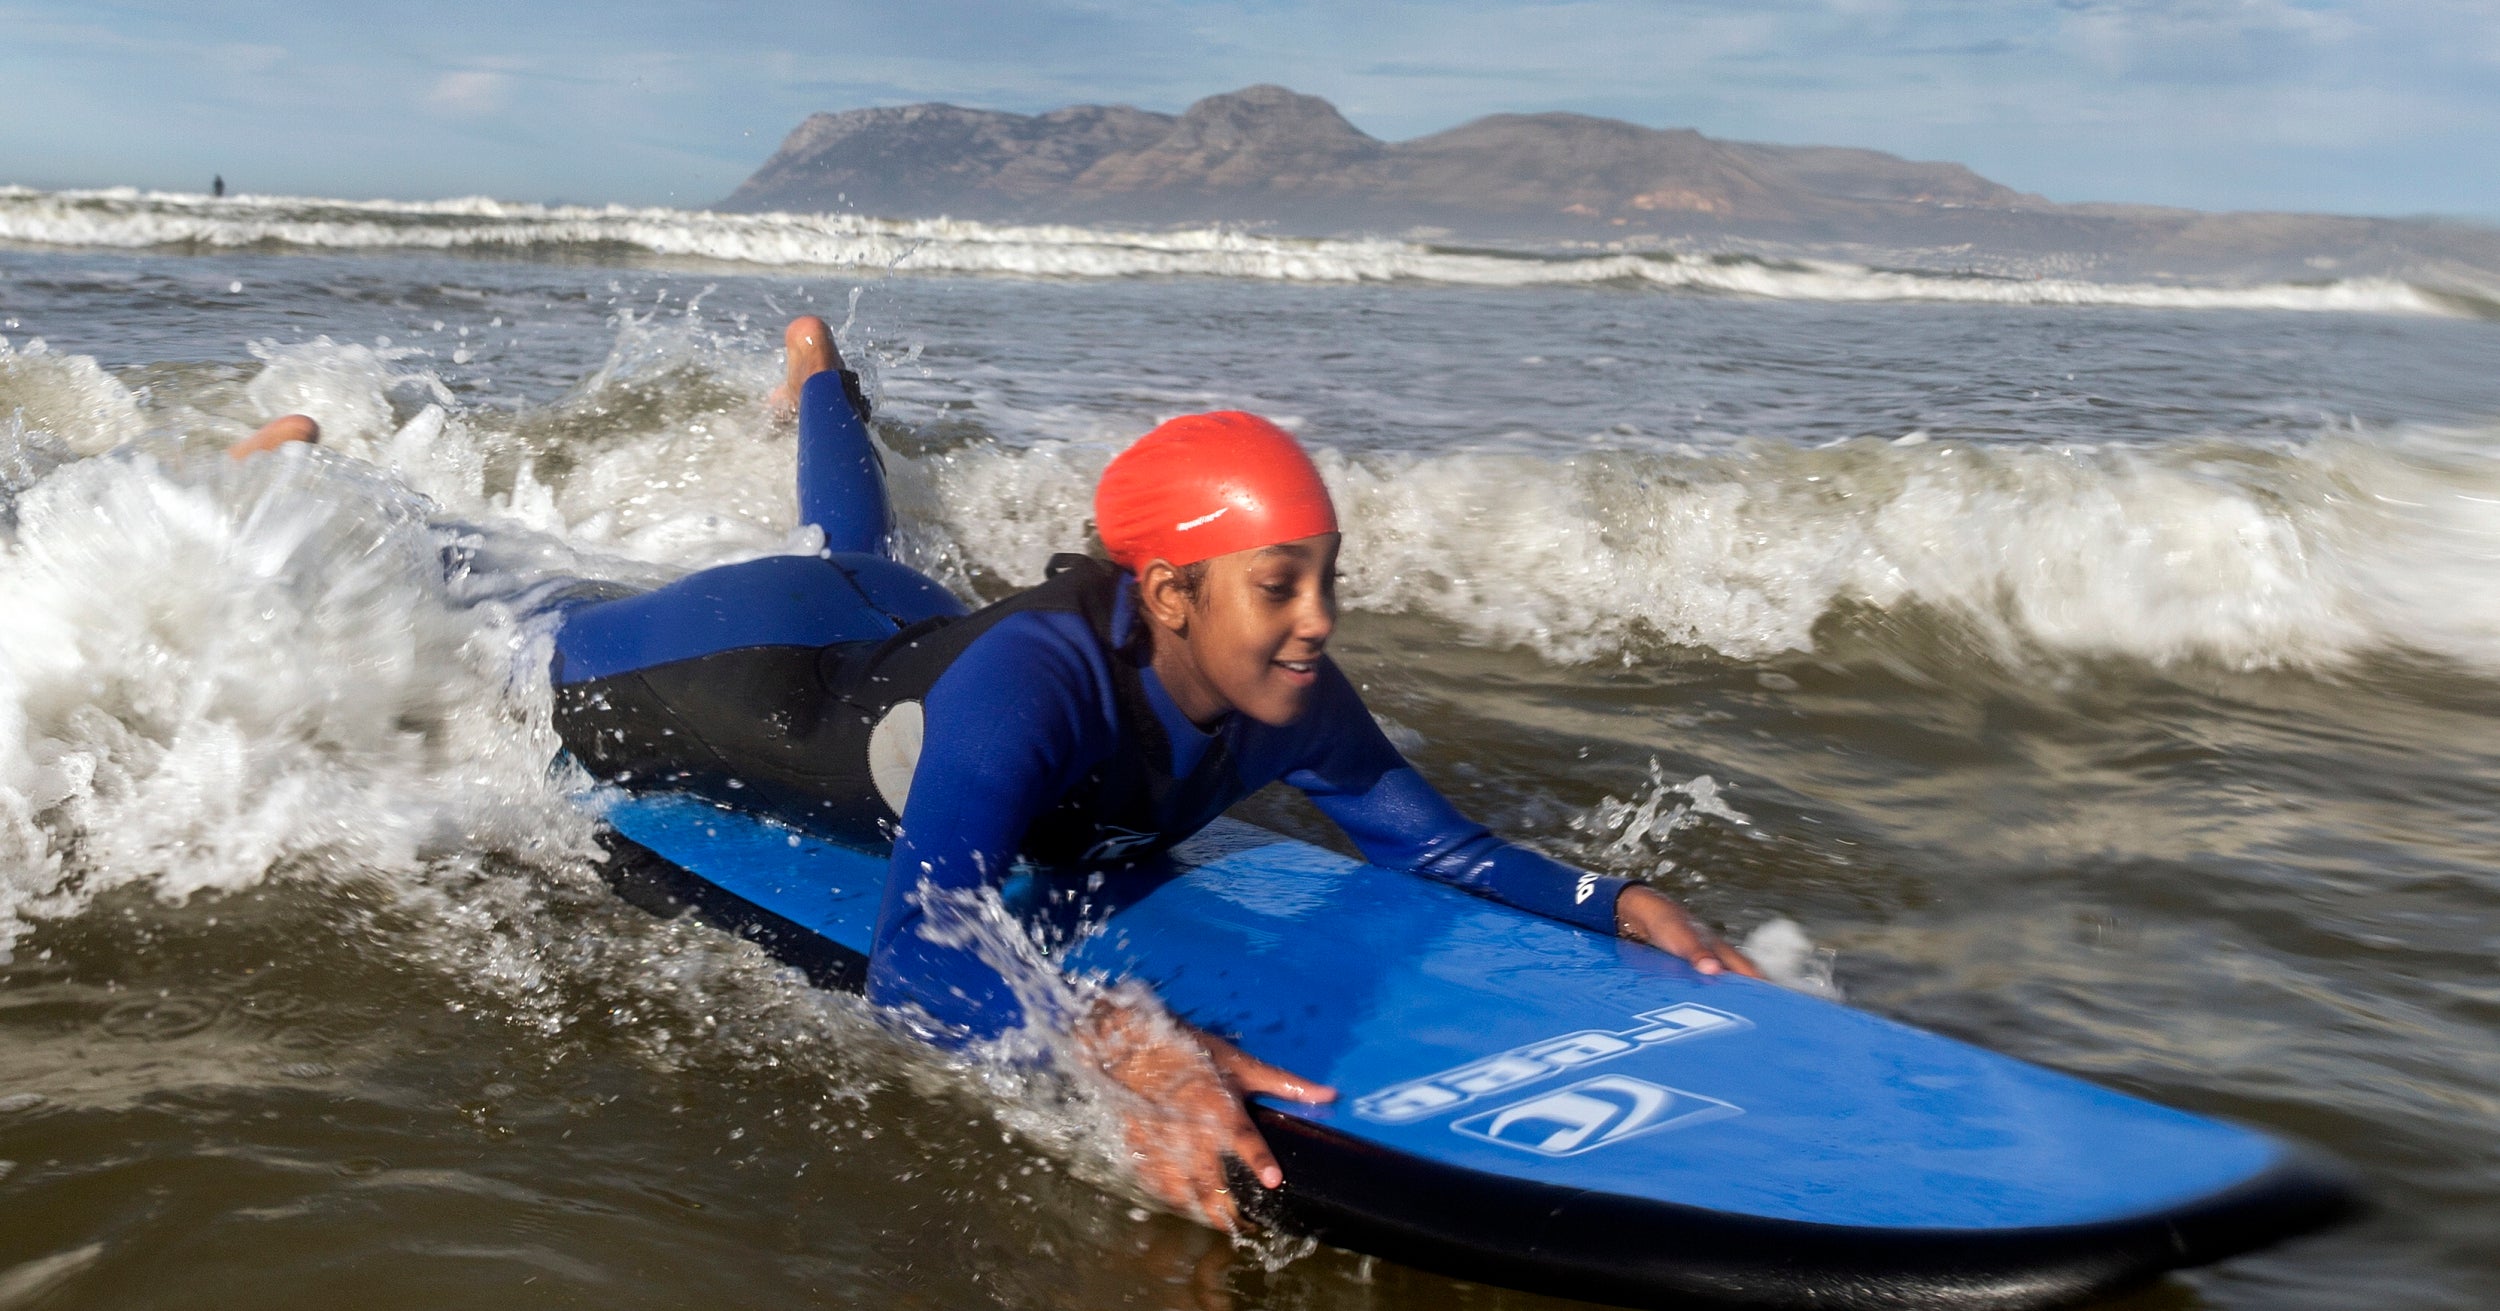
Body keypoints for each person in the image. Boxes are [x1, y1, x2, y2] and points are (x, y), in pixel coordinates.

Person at [243, 317, 1758, 1230]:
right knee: (505, 626)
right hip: (737, 675)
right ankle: (300, 472)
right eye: (1281, 584)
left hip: (890, 631)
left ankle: (818, 376)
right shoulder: (1030, 694)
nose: (1321, 622)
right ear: (1170, 595)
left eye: (1324, 579)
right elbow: (920, 946)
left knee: (867, 550)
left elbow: (1431, 843)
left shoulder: (1287, 688)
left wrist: (1611, 898)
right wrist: (1109, 1041)